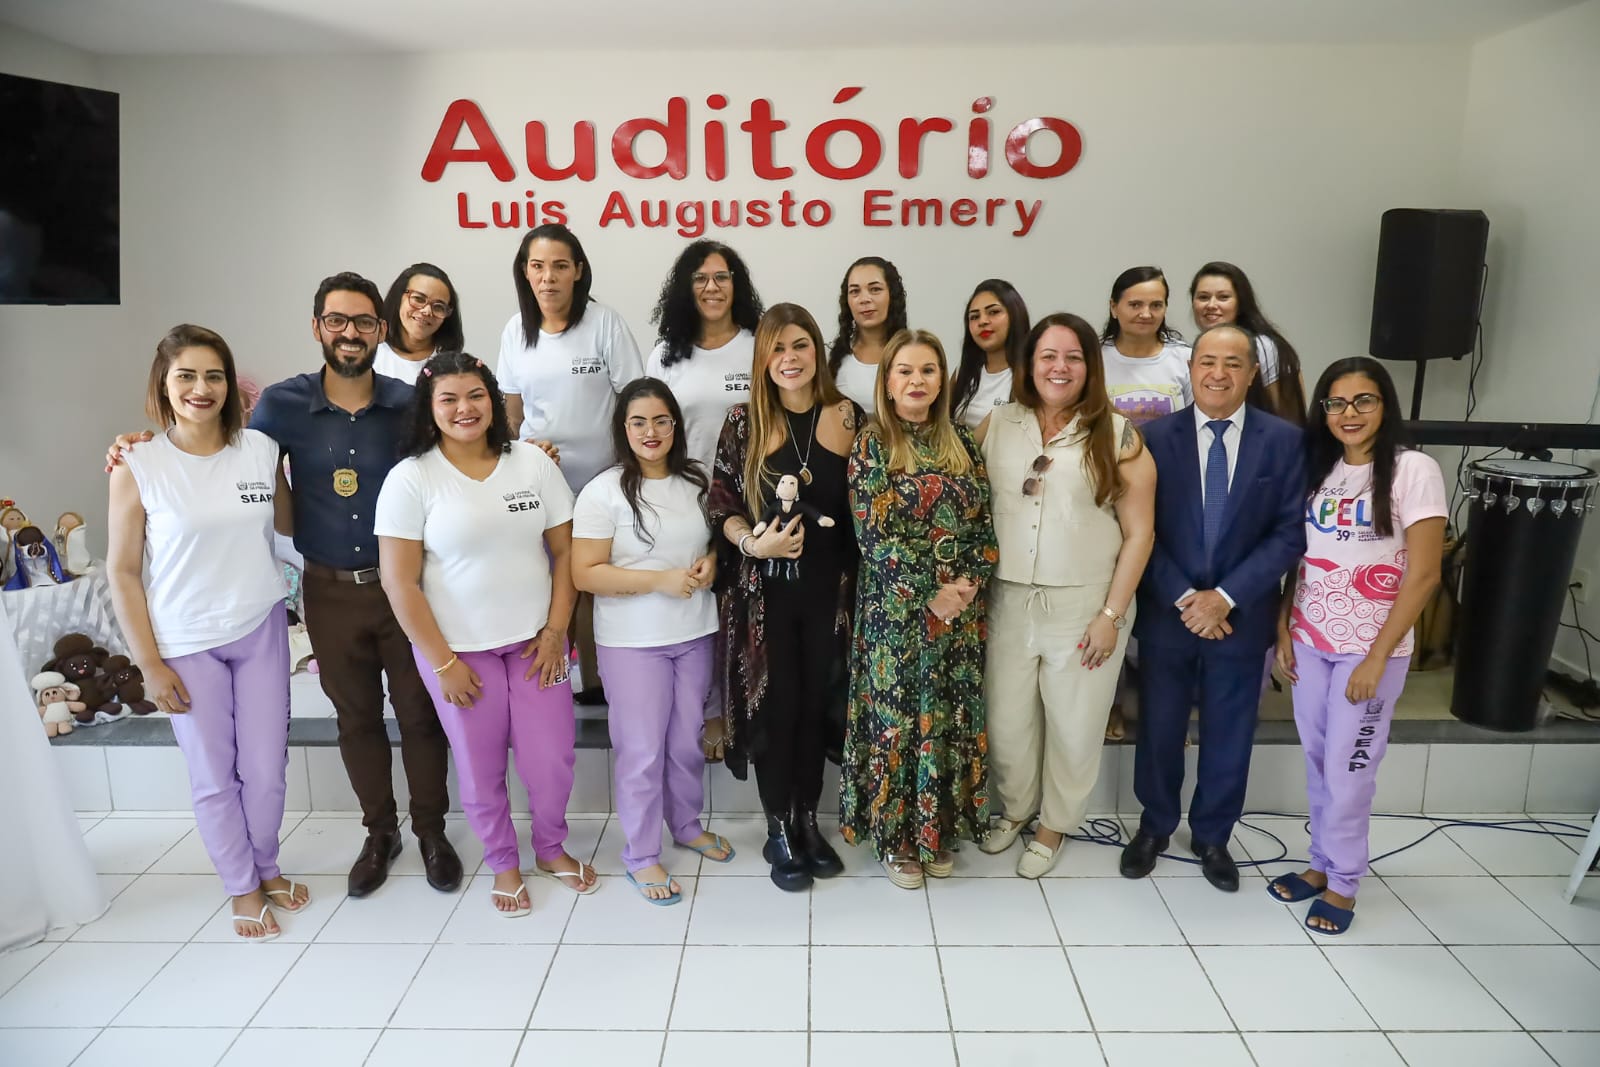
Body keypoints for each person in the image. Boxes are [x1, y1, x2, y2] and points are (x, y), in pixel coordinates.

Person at [107, 274, 463, 899]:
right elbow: (214, 451)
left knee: (420, 714)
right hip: (328, 590)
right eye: (336, 320)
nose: (349, 332)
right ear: (317, 326)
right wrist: (135, 447)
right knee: (356, 719)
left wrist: (528, 449)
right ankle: (380, 833)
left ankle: (432, 832)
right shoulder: (280, 406)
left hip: (406, 589)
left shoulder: (410, 402)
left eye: (363, 321)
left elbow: (463, 449)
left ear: (381, 330)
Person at [374, 350, 597, 915]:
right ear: (428, 408)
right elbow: (399, 582)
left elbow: (565, 552)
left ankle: (550, 848)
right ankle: (503, 861)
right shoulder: (411, 479)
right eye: (448, 399)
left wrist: (557, 630)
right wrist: (443, 663)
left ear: (493, 401)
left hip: (537, 644)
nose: (464, 408)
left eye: (475, 395)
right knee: (480, 767)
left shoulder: (532, 463)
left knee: (551, 759)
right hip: (458, 654)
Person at [105, 324, 306, 940]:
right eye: (186, 376)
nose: (201, 388)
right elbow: (122, 571)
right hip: (185, 641)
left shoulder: (260, 450)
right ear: (163, 385)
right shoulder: (137, 464)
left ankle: (266, 867)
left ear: (230, 385)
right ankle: (242, 886)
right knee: (215, 775)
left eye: (213, 375)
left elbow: (288, 529)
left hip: (259, 624)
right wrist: (149, 664)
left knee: (267, 769)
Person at [1119, 323, 1306, 892]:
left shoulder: (1283, 441)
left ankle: (1214, 836)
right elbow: (1140, 531)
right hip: (1168, 612)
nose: (1218, 373)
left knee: (1230, 732)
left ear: (1251, 374)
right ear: (1190, 368)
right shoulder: (1153, 438)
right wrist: (1186, 597)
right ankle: (1154, 826)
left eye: (1233, 363)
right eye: (1207, 362)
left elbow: (1289, 532)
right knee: (1159, 727)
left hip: (1240, 617)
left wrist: (1224, 597)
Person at [976, 313, 1157, 877]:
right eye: (1048, 356)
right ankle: (1016, 809)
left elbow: (1140, 534)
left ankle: (1054, 825)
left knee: (1075, 725)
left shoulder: (1118, 435)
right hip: (1007, 599)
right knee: (1007, 721)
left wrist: (1111, 614)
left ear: (1090, 366)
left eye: (1073, 357)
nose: (1060, 367)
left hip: (1085, 606)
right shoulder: (998, 424)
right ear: (1029, 364)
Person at [1272, 358, 1445, 935]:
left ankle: (1344, 883)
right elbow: (1303, 558)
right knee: (1320, 761)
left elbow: (1424, 574)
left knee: (1351, 769)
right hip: (1310, 640)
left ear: (1384, 406)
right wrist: (1284, 627)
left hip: (1371, 652)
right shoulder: (1321, 470)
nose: (1349, 413)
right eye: (1336, 403)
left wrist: (1376, 657)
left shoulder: (1413, 469)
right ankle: (1321, 863)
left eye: (1363, 401)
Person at [709, 303, 861, 892]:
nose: (790, 358)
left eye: (800, 345)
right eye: (777, 348)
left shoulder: (848, 416)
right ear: (762, 358)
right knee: (776, 707)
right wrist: (753, 542)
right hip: (765, 600)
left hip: (831, 597)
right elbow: (721, 503)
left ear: (817, 350)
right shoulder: (743, 422)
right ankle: (778, 827)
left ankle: (807, 820)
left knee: (817, 707)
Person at [839, 329, 997, 889]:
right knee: (899, 721)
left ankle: (937, 829)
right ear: (887, 381)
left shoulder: (963, 443)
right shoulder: (871, 444)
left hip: (959, 617)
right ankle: (897, 838)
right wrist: (932, 589)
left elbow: (983, 525)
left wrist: (969, 583)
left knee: (947, 717)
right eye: (904, 371)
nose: (916, 381)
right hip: (897, 614)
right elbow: (874, 536)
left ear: (942, 380)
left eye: (928, 370)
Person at [572, 377, 735, 905]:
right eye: (638, 421)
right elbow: (585, 573)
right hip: (632, 643)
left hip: (694, 632)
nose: (651, 431)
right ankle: (641, 854)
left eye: (661, 420)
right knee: (642, 750)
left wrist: (711, 562)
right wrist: (658, 581)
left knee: (687, 740)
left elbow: (714, 540)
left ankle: (685, 826)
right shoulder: (602, 492)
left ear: (675, 426)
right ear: (623, 428)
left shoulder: (697, 480)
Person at [497, 223, 645, 706]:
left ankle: (601, 683)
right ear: (525, 272)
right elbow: (511, 416)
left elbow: (635, 402)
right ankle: (554, 683)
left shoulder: (604, 323)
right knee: (552, 584)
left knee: (596, 582)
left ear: (578, 271)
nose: (549, 277)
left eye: (560, 266)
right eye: (538, 267)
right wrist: (527, 452)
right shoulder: (516, 332)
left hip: (605, 482)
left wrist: (629, 471)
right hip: (542, 482)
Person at [645, 239, 765, 763]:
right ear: (685, 289)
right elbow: (649, 426)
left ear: (737, 285)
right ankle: (710, 711)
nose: (711, 287)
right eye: (700, 279)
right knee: (699, 603)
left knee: (743, 609)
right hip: (687, 497)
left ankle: (746, 707)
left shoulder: (760, 345)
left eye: (721, 277)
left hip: (751, 499)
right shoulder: (666, 353)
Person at [1190, 261, 1306, 424]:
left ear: (1240, 303)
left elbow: (1288, 416)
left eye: (1223, 297)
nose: (1211, 305)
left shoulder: (1265, 348)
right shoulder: (1192, 350)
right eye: (1203, 297)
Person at [1099, 266, 1192, 427]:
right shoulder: (1094, 359)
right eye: (1135, 305)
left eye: (1156, 305)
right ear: (1114, 307)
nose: (1146, 314)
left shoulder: (1187, 359)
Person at [826, 256, 908, 416]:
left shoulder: (913, 353)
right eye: (855, 291)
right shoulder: (831, 357)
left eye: (875, 289)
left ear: (892, 295)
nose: (864, 299)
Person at [951, 279, 1031, 430]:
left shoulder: (1031, 373)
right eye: (974, 316)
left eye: (993, 312)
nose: (982, 321)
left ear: (1015, 315)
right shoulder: (963, 371)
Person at [374, 262, 464, 385]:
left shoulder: (454, 366)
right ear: (398, 297)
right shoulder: (371, 353)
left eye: (438, 307)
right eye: (419, 299)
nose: (427, 311)